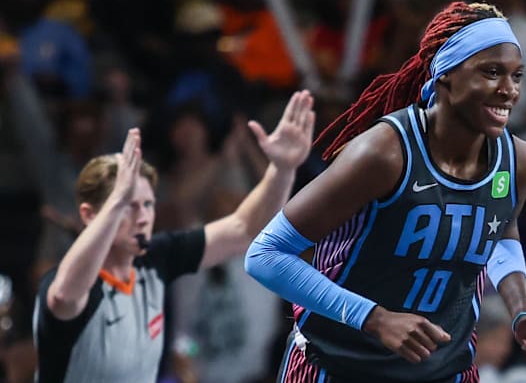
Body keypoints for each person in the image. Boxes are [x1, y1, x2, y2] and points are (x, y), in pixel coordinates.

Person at [245, 1, 526, 383]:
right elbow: (265, 255)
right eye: (492, 72)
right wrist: (374, 319)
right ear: (446, 75)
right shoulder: (384, 153)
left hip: (445, 371)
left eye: (517, 76)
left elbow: (499, 232)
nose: (509, 90)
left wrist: (521, 311)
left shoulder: (521, 162)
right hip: (339, 366)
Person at [32, 90, 316, 383]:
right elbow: (65, 295)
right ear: (91, 215)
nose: (142, 216)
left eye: (147, 204)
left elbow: (244, 228)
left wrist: (282, 169)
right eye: (127, 205)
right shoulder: (70, 282)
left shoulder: (157, 256)